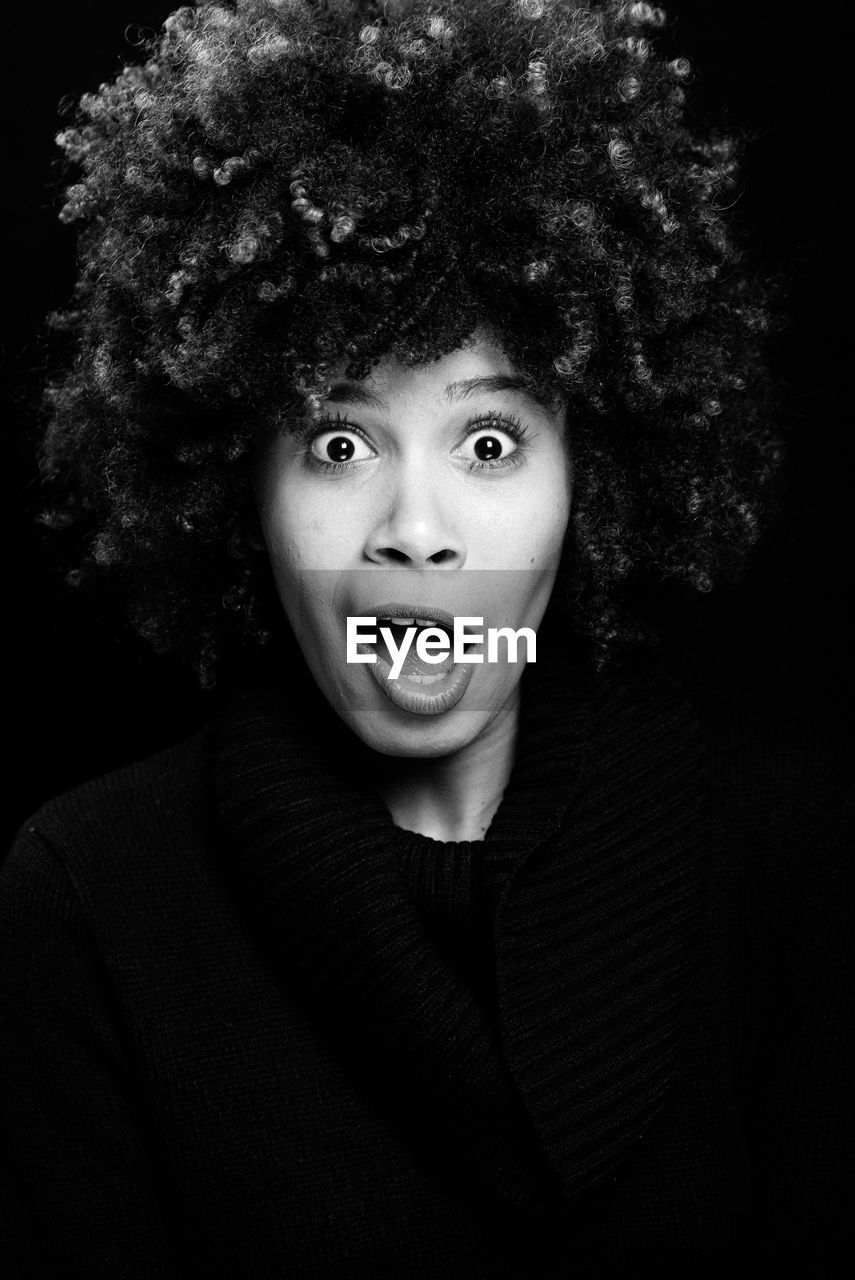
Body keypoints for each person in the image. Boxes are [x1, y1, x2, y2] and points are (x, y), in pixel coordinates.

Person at [2, 1, 852, 1275]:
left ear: (594, 474)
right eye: (339, 442)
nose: (417, 529)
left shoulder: (785, 852)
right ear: (241, 482)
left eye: (490, 440)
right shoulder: (90, 895)